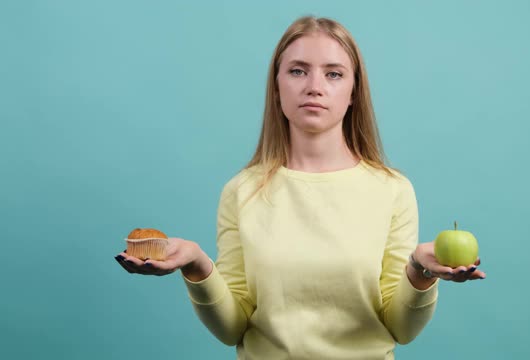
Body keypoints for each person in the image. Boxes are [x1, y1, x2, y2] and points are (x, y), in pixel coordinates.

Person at [114, 15, 486, 359]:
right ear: (276, 87)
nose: (314, 87)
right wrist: (197, 267)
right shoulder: (241, 191)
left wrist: (419, 274)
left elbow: (401, 330)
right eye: (297, 71)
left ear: (354, 91)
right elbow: (232, 328)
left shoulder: (393, 190)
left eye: (334, 74)